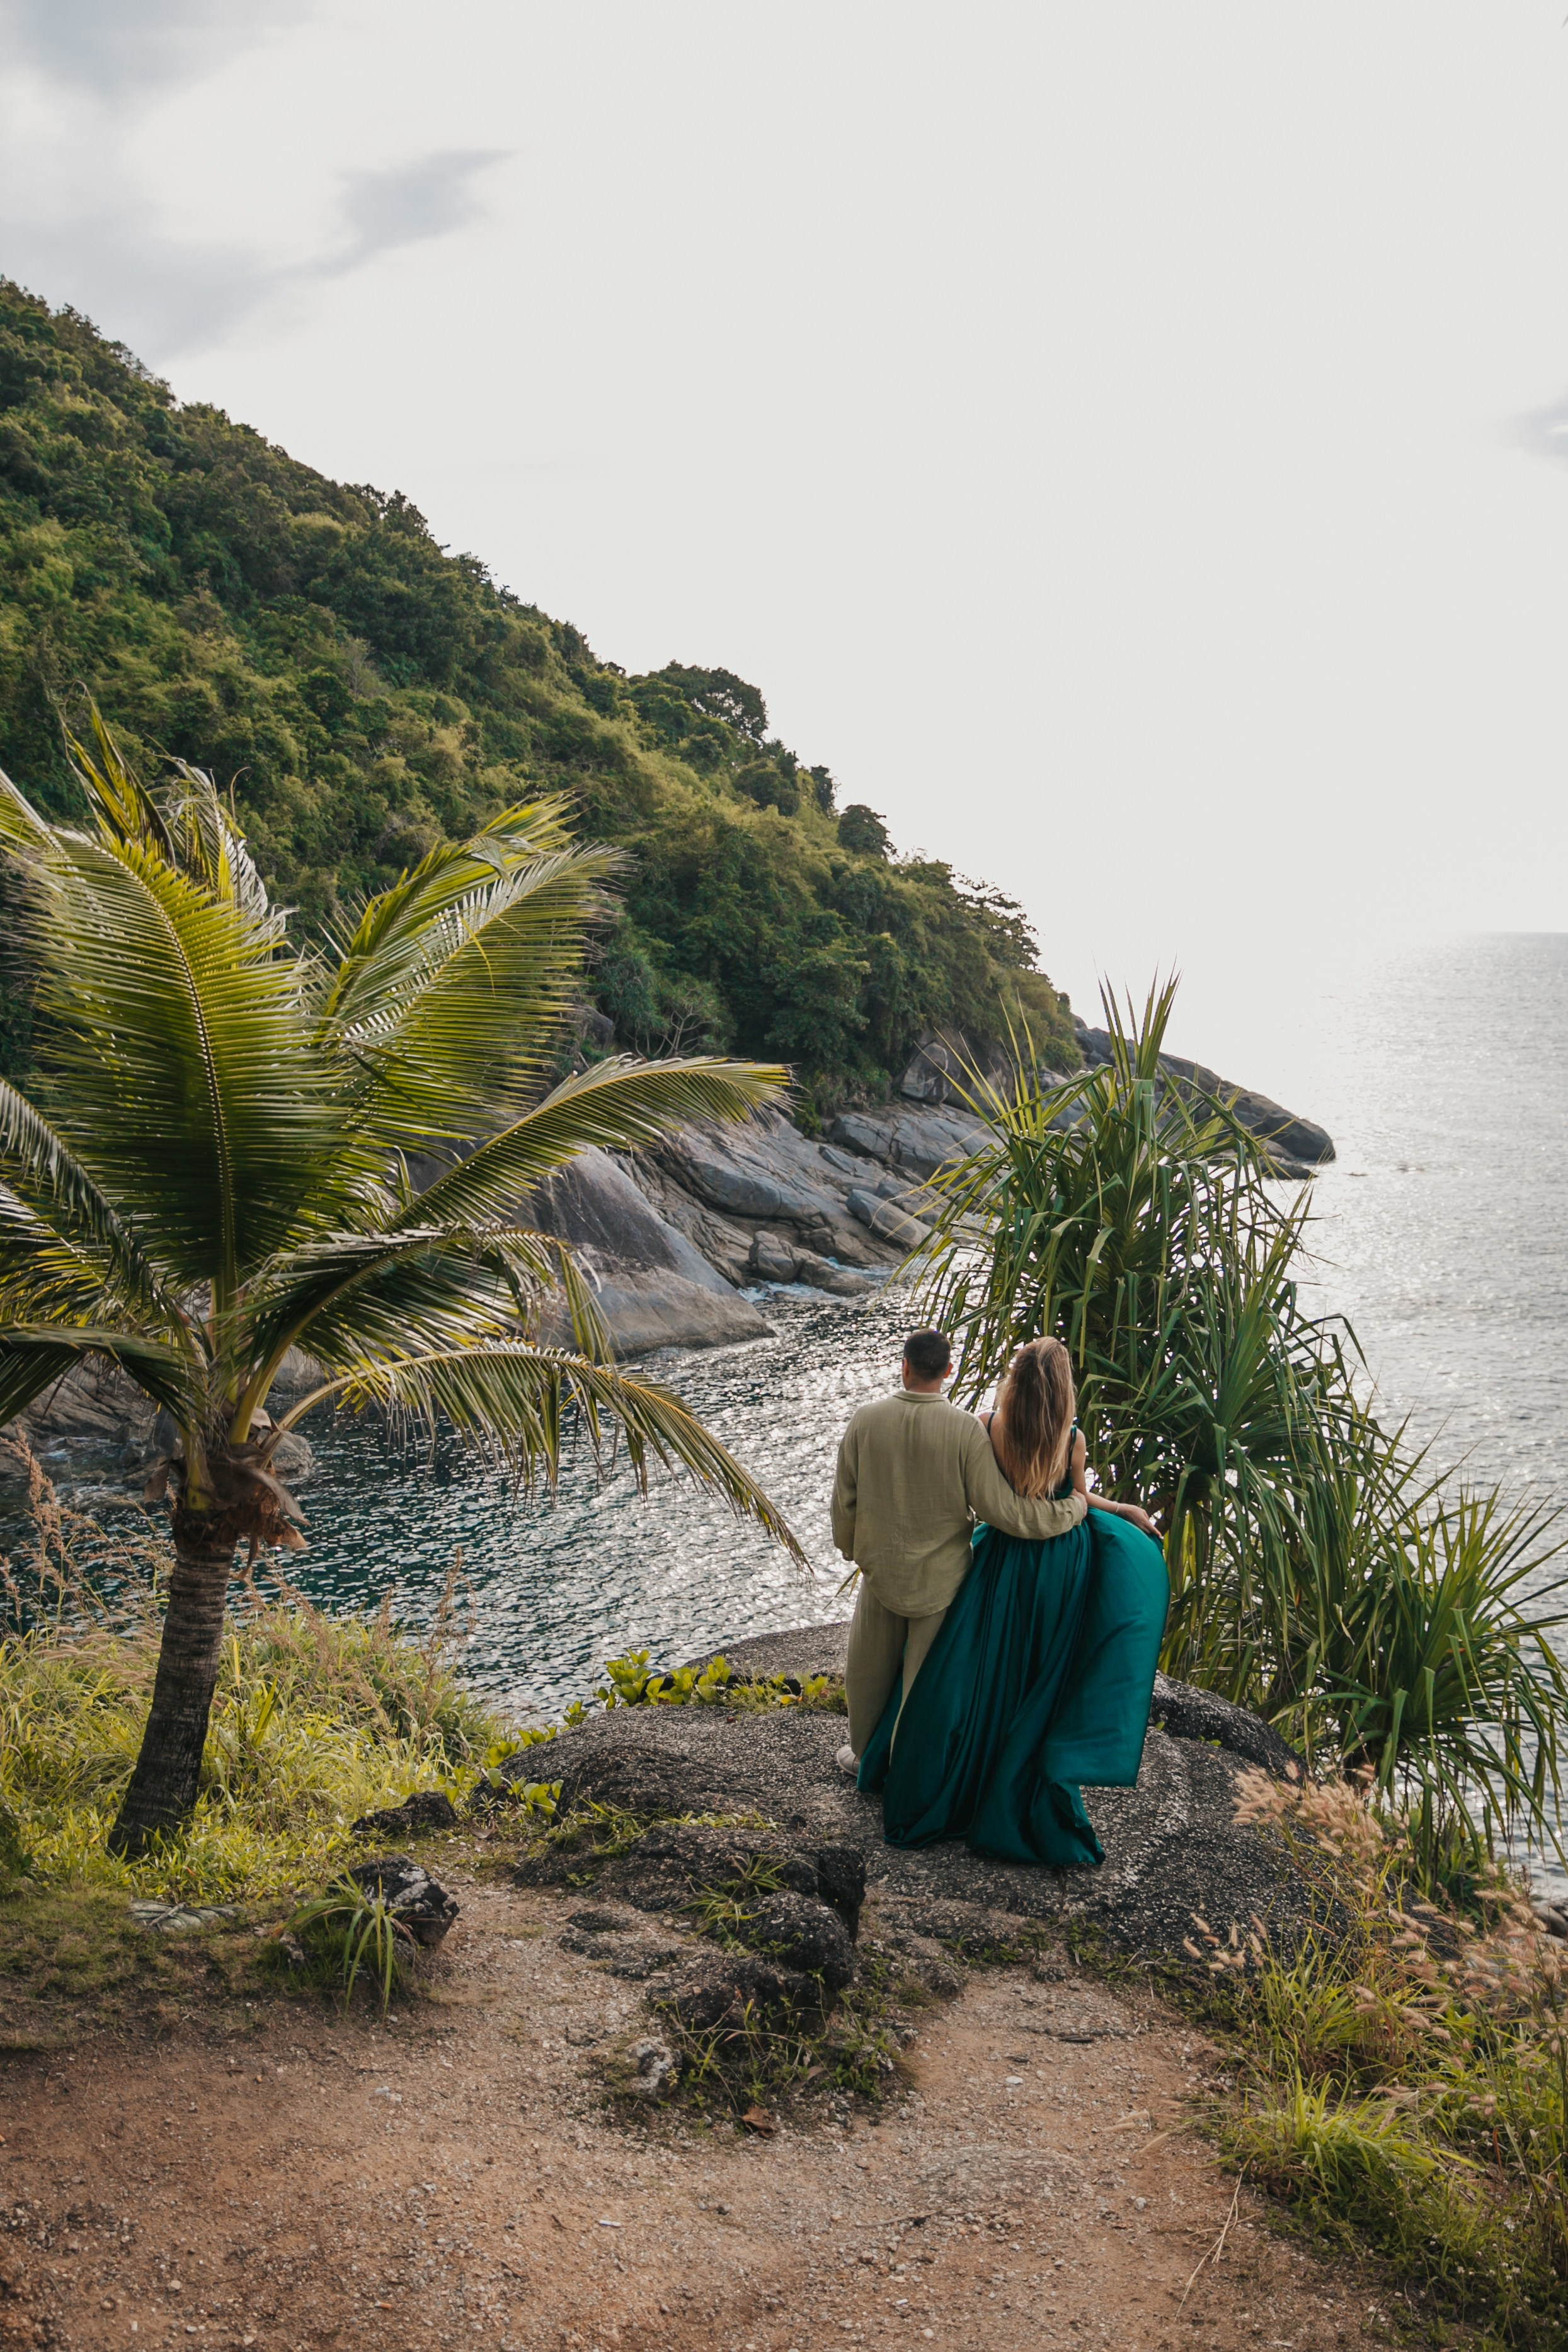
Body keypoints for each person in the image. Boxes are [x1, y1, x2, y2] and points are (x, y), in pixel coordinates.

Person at [855, 1334, 1170, 1867]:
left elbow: (986, 1498)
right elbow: (1076, 1499)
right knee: (1036, 1678)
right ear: (1063, 1390)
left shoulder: (986, 1425)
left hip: (1000, 1562)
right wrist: (1123, 1510)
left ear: (1015, 1382)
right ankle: (1020, 1776)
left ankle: (951, 1775)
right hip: (1059, 1567)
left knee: (979, 1673)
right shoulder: (1072, 1439)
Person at [830, 1328, 1087, 1770]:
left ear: (904, 1366)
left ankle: (863, 1756)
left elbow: (844, 1502)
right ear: (948, 1370)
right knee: (924, 1686)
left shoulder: (865, 1419)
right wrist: (1073, 1508)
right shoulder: (965, 1429)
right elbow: (1006, 1513)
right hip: (942, 1581)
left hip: (881, 1573)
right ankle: (905, 1769)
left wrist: (852, 1550)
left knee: (867, 1673)